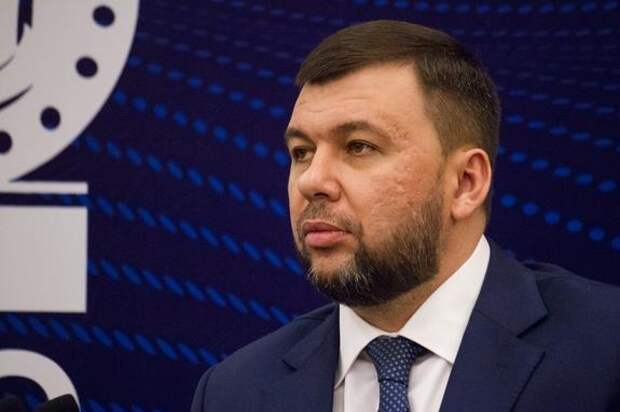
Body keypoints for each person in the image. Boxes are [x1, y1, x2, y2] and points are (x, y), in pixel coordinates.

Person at [191, 20, 620, 412]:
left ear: (466, 183)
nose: (312, 181)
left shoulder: (605, 351)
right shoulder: (233, 393)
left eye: (359, 146)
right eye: (301, 152)